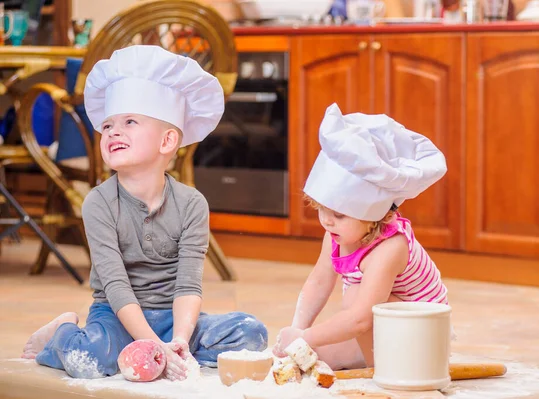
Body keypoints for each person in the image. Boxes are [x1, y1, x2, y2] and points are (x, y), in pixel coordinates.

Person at [21, 45, 268, 380]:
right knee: (88, 360)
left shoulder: (192, 204)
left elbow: (188, 284)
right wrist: (152, 345)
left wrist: (179, 340)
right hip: (115, 316)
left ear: (167, 141)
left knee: (251, 333)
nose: (113, 132)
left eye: (129, 121)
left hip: (172, 318)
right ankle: (61, 333)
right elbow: (115, 284)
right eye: (107, 126)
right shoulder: (98, 202)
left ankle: (169, 348)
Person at [273, 103, 448, 370]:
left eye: (341, 215)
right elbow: (320, 281)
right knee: (316, 357)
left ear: (383, 216)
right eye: (323, 209)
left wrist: (304, 338)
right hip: (383, 329)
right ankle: (371, 362)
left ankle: (383, 370)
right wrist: (297, 330)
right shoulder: (335, 233)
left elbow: (361, 319)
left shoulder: (391, 247)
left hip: (422, 336)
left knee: (355, 297)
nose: (327, 220)